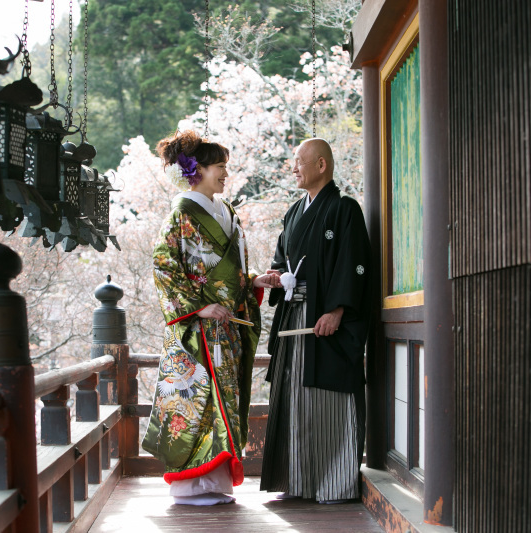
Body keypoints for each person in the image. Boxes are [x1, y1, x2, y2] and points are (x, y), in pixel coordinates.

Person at [142, 130, 280, 506]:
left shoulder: (226, 211)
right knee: (198, 402)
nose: (225, 174)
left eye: (225, 167)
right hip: (198, 327)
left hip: (226, 327)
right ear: (197, 170)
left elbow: (231, 270)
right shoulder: (181, 214)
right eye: (220, 167)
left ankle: (215, 483)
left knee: (226, 400)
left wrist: (254, 280)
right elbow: (163, 268)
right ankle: (190, 485)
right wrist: (199, 307)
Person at [260, 138, 371, 503]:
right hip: (295, 315)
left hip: (324, 319)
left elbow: (355, 265)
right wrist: (277, 277)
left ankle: (332, 482)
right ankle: (297, 480)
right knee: (294, 397)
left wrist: (338, 310)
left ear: (321, 165)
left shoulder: (344, 210)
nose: (294, 168)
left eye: (299, 161)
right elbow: (281, 259)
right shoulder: (294, 212)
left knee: (323, 399)